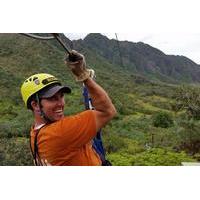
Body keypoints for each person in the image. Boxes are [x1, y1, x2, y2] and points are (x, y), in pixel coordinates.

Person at [20, 50, 117, 166]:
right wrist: (84, 76)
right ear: (35, 105)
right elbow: (107, 111)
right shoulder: (60, 133)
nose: (60, 103)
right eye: (52, 98)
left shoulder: (35, 133)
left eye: (61, 96)